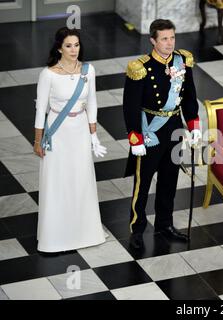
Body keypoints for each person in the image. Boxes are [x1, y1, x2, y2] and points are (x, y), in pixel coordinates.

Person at [123, 19, 201, 249]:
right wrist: (135, 137)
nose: (169, 43)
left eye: (172, 38)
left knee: (169, 180)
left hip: (175, 128)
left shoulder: (182, 61)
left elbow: (189, 97)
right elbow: (130, 106)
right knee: (143, 183)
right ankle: (137, 229)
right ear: (153, 41)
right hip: (151, 131)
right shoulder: (141, 68)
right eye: (164, 39)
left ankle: (164, 225)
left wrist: (194, 126)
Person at [33, 27, 107, 253]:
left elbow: (92, 101)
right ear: (59, 48)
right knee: (59, 182)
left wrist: (93, 134)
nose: (73, 50)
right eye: (68, 46)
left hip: (80, 131)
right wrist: (37, 141)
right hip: (58, 133)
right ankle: (55, 237)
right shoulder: (48, 74)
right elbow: (40, 110)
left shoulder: (88, 70)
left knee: (81, 179)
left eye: (76, 45)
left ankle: (85, 233)